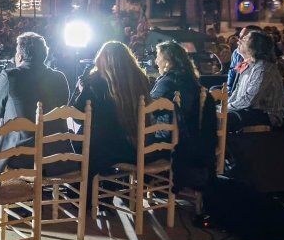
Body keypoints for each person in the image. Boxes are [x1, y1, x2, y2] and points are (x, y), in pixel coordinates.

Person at [0, 32, 73, 179]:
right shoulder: (60, 77)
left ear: (20, 55)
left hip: (26, 156)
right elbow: (63, 108)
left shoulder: (10, 76)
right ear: (44, 54)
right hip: (58, 156)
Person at [71, 41, 152, 178]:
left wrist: (83, 90)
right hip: (137, 147)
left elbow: (77, 116)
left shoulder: (97, 81)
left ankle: (87, 195)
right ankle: (108, 189)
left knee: (77, 142)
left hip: (108, 150)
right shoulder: (141, 78)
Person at [150, 40, 209, 187]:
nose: (155, 60)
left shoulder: (168, 81)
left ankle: (136, 184)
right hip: (192, 138)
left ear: (167, 60)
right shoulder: (190, 78)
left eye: (158, 56)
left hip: (170, 143)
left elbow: (149, 109)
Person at [227, 30, 284, 132]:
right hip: (247, 110)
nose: (239, 41)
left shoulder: (264, 68)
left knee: (224, 120)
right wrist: (224, 107)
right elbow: (236, 93)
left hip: (267, 115)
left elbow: (250, 100)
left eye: (245, 39)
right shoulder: (249, 65)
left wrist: (226, 108)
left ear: (256, 47)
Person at [226, 25, 263, 94]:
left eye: (244, 38)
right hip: (234, 90)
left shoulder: (261, 59)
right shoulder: (237, 52)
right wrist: (229, 90)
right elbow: (232, 72)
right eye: (239, 36)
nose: (239, 40)